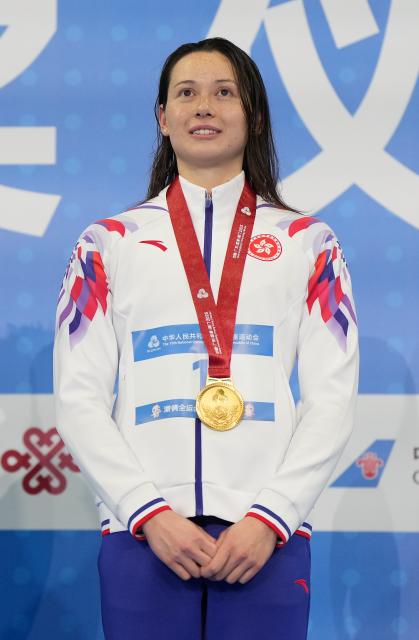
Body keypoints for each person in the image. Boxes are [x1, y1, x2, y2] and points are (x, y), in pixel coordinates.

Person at [53, 37, 359, 640]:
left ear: (255, 115)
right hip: (142, 535)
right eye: (186, 93)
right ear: (162, 119)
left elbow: (333, 400)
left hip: (266, 538)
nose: (204, 107)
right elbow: (78, 398)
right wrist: (147, 512)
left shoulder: (309, 243)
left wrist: (271, 518)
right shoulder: (106, 242)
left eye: (225, 93)